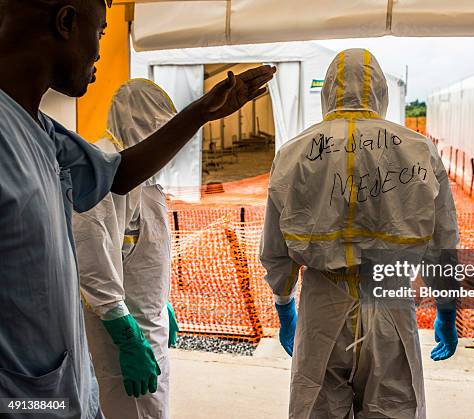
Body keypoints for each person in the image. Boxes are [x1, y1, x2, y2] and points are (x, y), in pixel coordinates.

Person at [0, 1, 275, 417]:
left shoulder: (44, 132)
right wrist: (124, 332)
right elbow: (94, 251)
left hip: (54, 389)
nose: (97, 53)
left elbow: (119, 175)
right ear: (67, 21)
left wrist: (202, 112)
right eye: (101, 33)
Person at [260, 48, 459, 418]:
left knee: (317, 408)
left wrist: (284, 304)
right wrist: (446, 309)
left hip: (323, 308)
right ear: (382, 91)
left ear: (329, 90)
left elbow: (276, 248)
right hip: (390, 304)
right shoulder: (418, 150)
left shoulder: (295, 152)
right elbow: (443, 242)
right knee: (394, 408)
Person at [73, 79, 179, 418]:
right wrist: (126, 336)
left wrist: (163, 301)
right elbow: (91, 257)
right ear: (142, 124)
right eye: (160, 131)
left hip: (148, 319)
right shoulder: (104, 170)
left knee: (152, 408)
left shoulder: (146, 175)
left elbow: (142, 250)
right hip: (119, 333)